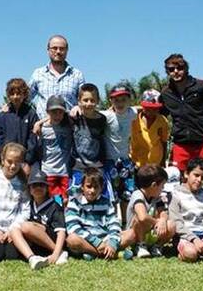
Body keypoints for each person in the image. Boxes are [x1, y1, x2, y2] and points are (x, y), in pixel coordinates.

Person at [160, 53, 203, 203]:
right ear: (167, 72)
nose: (176, 71)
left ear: (186, 68)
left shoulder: (202, 86)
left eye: (180, 67)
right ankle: (184, 218)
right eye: (171, 69)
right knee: (181, 184)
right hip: (181, 144)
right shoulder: (166, 93)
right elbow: (157, 114)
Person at [9, 169, 69, 269]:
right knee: (14, 229)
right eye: (34, 185)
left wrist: (56, 252)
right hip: (36, 242)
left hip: (52, 240)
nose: (38, 188)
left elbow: (61, 232)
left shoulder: (54, 206)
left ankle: (60, 253)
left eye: (41, 185)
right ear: (29, 188)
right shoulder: (28, 205)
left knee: (26, 226)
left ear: (47, 187)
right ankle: (32, 258)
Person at [0, 143, 30, 262]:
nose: (12, 166)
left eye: (17, 162)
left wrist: (13, 229)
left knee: (12, 255)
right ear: (2, 160)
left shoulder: (22, 183)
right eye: (9, 161)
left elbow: (25, 210)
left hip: (14, 228)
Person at [120, 164, 176, 259]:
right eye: (162, 186)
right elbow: (142, 216)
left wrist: (162, 220)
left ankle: (157, 246)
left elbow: (163, 212)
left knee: (171, 225)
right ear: (154, 185)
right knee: (139, 219)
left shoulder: (156, 197)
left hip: (150, 232)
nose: (162, 189)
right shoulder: (137, 195)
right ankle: (140, 245)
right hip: (135, 234)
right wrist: (157, 222)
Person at [65, 167, 121, 261]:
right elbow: (73, 227)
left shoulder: (106, 202)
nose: (92, 191)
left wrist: (112, 242)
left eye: (96, 187)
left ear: (101, 188)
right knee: (72, 239)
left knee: (130, 234)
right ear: (82, 187)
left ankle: (98, 252)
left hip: (105, 238)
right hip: (86, 240)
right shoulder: (74, 202)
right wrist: (97, 243)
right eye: (89, 186)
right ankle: (103, 253)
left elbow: (114, 223)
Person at [69, 83, 113, 200]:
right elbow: (55, 116)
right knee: (75, 197)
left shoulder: (102, 119)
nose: (88, 104)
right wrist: (39, 122)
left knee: (103, 197)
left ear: (98, 101)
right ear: (79, 100)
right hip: (78, 166)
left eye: (92, 100)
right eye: (85, 100)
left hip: (97, 166)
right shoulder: (73, 117)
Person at [29, 95, 74, 205]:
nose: (57, 115)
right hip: (48, 171)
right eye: (54, 112)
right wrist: (39, 123)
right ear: (48, 112)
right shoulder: (43, 128)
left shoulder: (69, 126)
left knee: (66, 200)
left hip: (64, 171)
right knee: (51, 200)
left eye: (60, 112)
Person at [28, 34, 86, 118]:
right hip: (43, 126)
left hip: (70, 127)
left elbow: (85, 100)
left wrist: (79, 106)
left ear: (67, 51)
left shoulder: (77, 75)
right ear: (48, 50)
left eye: (62, 49)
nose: (58, 51)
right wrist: (9, 106)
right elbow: (26, 98)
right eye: (54, 48)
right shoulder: (38, 73)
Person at [104, 83, 138, 217]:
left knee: (127, 194)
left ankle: (124, 222)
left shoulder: (133, 112)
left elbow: (143, 108)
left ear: (129, 100)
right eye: (116, 100)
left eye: (123, 99)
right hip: (109, 160)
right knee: (111, 194)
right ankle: (111, 222)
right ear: (111, 101)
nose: (120, 103)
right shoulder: (106, 116)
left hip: (125, 160)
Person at [0, 78, 38, 174]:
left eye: (18, 94)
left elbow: (33, 138)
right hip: (7, 162)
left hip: (24, 163)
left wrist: (27, 161)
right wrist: (1, 158)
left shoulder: (31, 114)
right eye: (12, 94)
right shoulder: (4, 114)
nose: (15, 97)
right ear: (8, 95)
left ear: (24, 95)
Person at [130, 89, 170, 168]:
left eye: (155, 109)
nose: (151, 112)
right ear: (143, 107)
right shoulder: (133, 119)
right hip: (137, 162)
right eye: (148, 108)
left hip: (156, 163)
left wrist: (163, 162)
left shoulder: (162, 121)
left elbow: (164, 142)